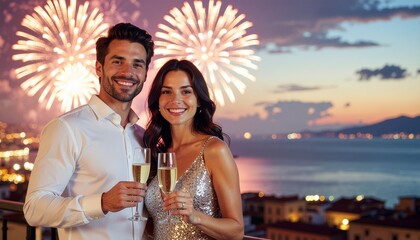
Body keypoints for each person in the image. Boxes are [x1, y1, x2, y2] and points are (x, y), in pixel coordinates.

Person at [23, 22, 154, 240]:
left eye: (137, 64)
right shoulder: (66, 128)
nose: (127, 72)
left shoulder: (143, 136)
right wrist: (101, 203)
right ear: (99, 68)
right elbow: (34, 209)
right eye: (117, 61)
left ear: (145, 74)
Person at [143, 59, 244, 239]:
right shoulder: (158, 154)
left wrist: (195, 216)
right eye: (167, 91)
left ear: (198, 101)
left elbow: (236, 231)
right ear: (158, 101)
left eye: (186, 91)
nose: (176, 100)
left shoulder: (213, 150)